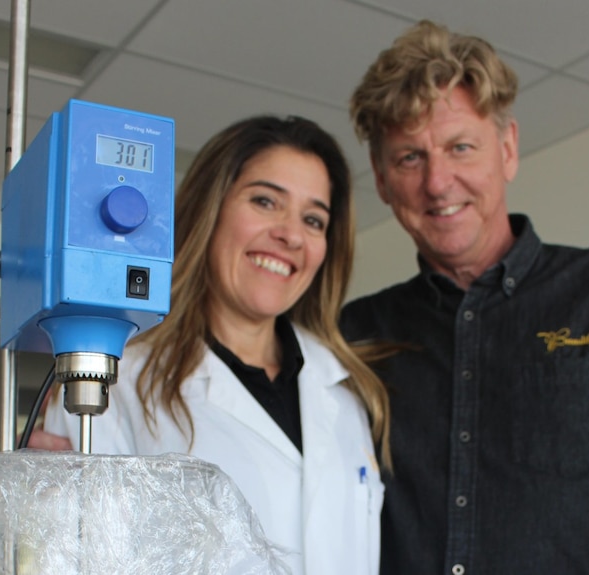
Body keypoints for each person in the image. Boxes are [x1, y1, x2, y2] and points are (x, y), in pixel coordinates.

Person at [339, 19, 589, 575]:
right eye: (410, 158)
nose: (437, 182)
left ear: (507, 150)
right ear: (382, 181)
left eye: (461, 147)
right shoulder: (352, 335)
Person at [42, 115, 389, 575]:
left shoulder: (345, 392)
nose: (290, 234)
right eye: (265, 201)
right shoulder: (117, 380)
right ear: (212, 209)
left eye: (313, 219)